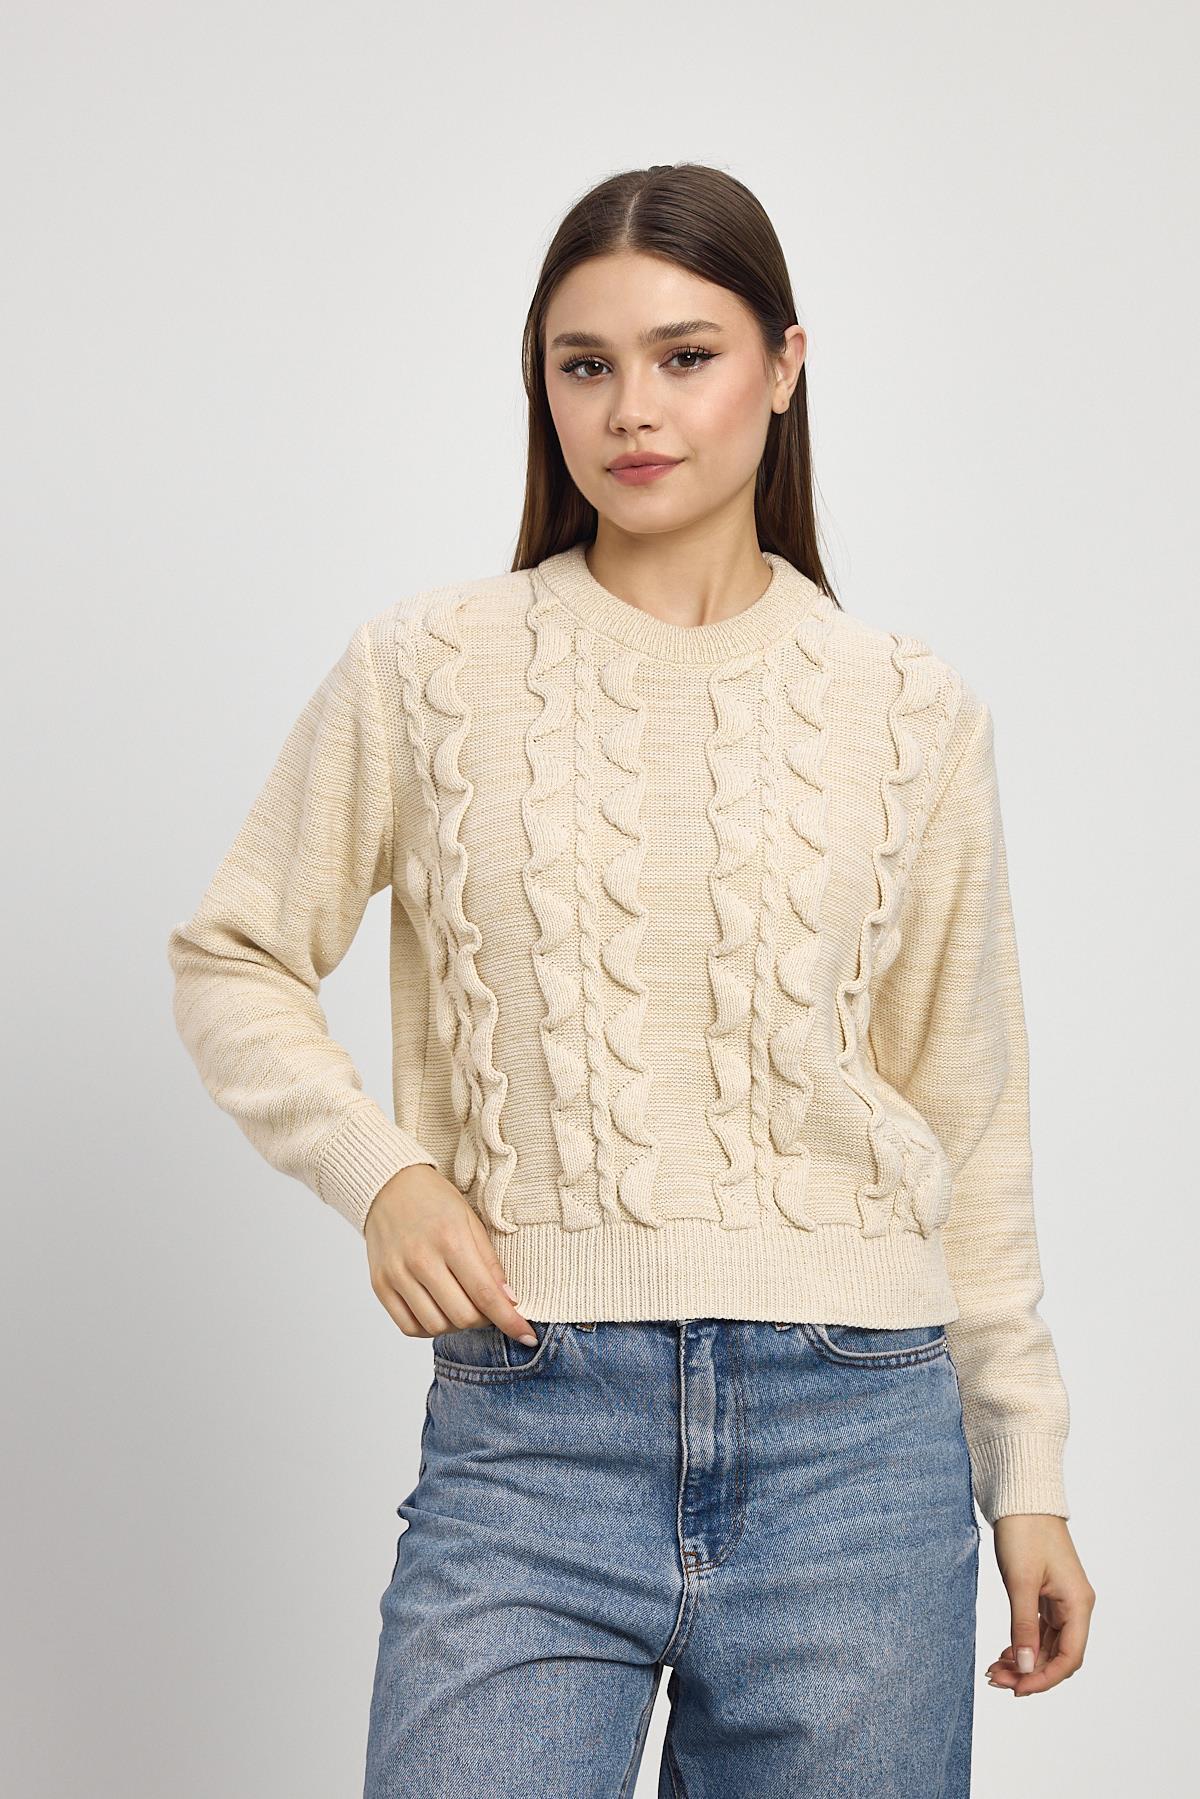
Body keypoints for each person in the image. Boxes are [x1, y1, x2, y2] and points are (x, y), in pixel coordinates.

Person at [165, 161, 1095, 1796]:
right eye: (584, 363)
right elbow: (233, 952)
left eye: (687, 356)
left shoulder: (908, 709)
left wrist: (1025, 1469)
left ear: (785, 366)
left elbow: (969, 1112)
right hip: (534, 1427)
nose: (632, 409)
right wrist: (384, 1175)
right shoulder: (428, 669)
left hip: (860, 1439)